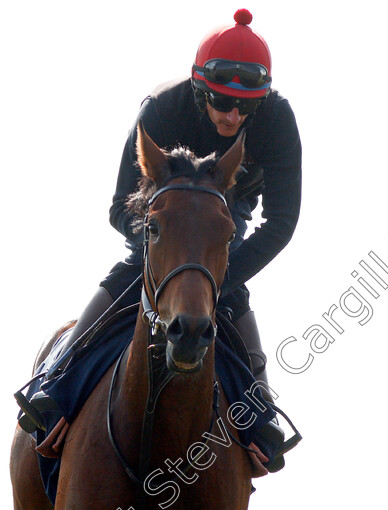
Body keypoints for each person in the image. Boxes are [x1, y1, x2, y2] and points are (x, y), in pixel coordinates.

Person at [66, 8, 301, 425]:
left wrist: (220, 277)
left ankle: (259, 417)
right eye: (223, 101)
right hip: (159, 218)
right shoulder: (160, 110)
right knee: (131, 270)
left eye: (246, 107)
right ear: (199, 89)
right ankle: (57, 381)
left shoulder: (279, 120)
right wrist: (163, 252)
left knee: (226, 290)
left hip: (224, 216)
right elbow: (120, 205)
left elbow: (281, 222)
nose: (233, 116)